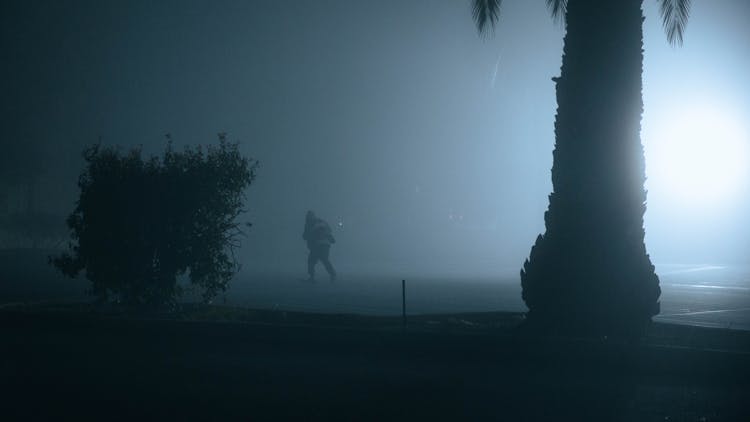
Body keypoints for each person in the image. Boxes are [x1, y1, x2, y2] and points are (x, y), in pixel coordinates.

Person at [303, 210, 337, 281]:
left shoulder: (309, 223)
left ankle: (311, 277)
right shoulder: (322, 221)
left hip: (317, 245)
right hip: (326, 245)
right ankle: (333, 274)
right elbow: (329, 230)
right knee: (325, 260)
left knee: (311, 261)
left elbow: (306, 236)